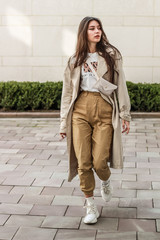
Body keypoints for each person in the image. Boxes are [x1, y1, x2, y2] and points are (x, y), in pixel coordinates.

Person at [60, 16, 131, 225]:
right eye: (92, 28)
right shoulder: (74, 59)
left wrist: (125, 113)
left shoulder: (111, 55)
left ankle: (105, 179)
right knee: (83, 162)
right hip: (80, 110)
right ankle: (90, 205)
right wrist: (63, 123)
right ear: (84, 32)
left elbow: (121, 83)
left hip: (104, 108)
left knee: (100, 161)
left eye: (99, 28)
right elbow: (67, 93)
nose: (97, 31)